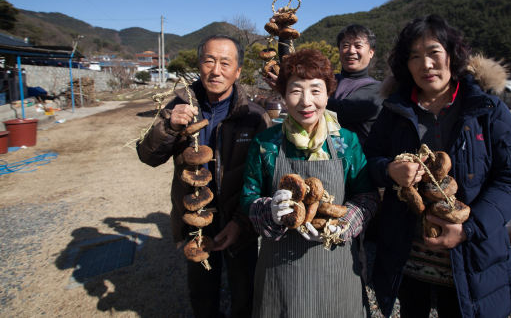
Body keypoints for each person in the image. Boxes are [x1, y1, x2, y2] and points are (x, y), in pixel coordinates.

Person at [363, 15, 511, 318]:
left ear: (452, 55)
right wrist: (389, 169)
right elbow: (369, 159)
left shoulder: (486, 110)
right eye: (414, 56)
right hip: (408, 253)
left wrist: (467, 229)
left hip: (469, 254)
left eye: (433, 52)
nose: (425, 64)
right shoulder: (394, 111)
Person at [137, 34, 271, 318]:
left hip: (239, 220)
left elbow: (266, 179)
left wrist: (241, 222)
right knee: (201, 292)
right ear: (199, 64)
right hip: (196, 218)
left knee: (245, 291)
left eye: (225, 62)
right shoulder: (178, 108)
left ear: (237, 71)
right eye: (209, 60)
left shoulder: (255, 117)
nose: (216, 69)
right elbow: (148, 156)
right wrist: (170, 126)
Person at [240, 48, 380, 318]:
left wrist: (343, 225)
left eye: (316, 90)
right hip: (280, 272)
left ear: (328, 94)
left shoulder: (345, 142)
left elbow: (368, 196)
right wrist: (268, 210)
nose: (306, 102)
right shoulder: (266, 144)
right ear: (283, 94)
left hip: (335, 266)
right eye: (295, 91)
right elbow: (248, 195)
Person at [263, 24, 382, 144]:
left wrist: (293, 91)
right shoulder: (329, 80)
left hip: (351, 157)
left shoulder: (378, 90)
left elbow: (341, 112)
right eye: (345, 45)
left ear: (371, 52)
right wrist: (284, 32)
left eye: (358, 46)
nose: (351, 51)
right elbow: (294, 70)